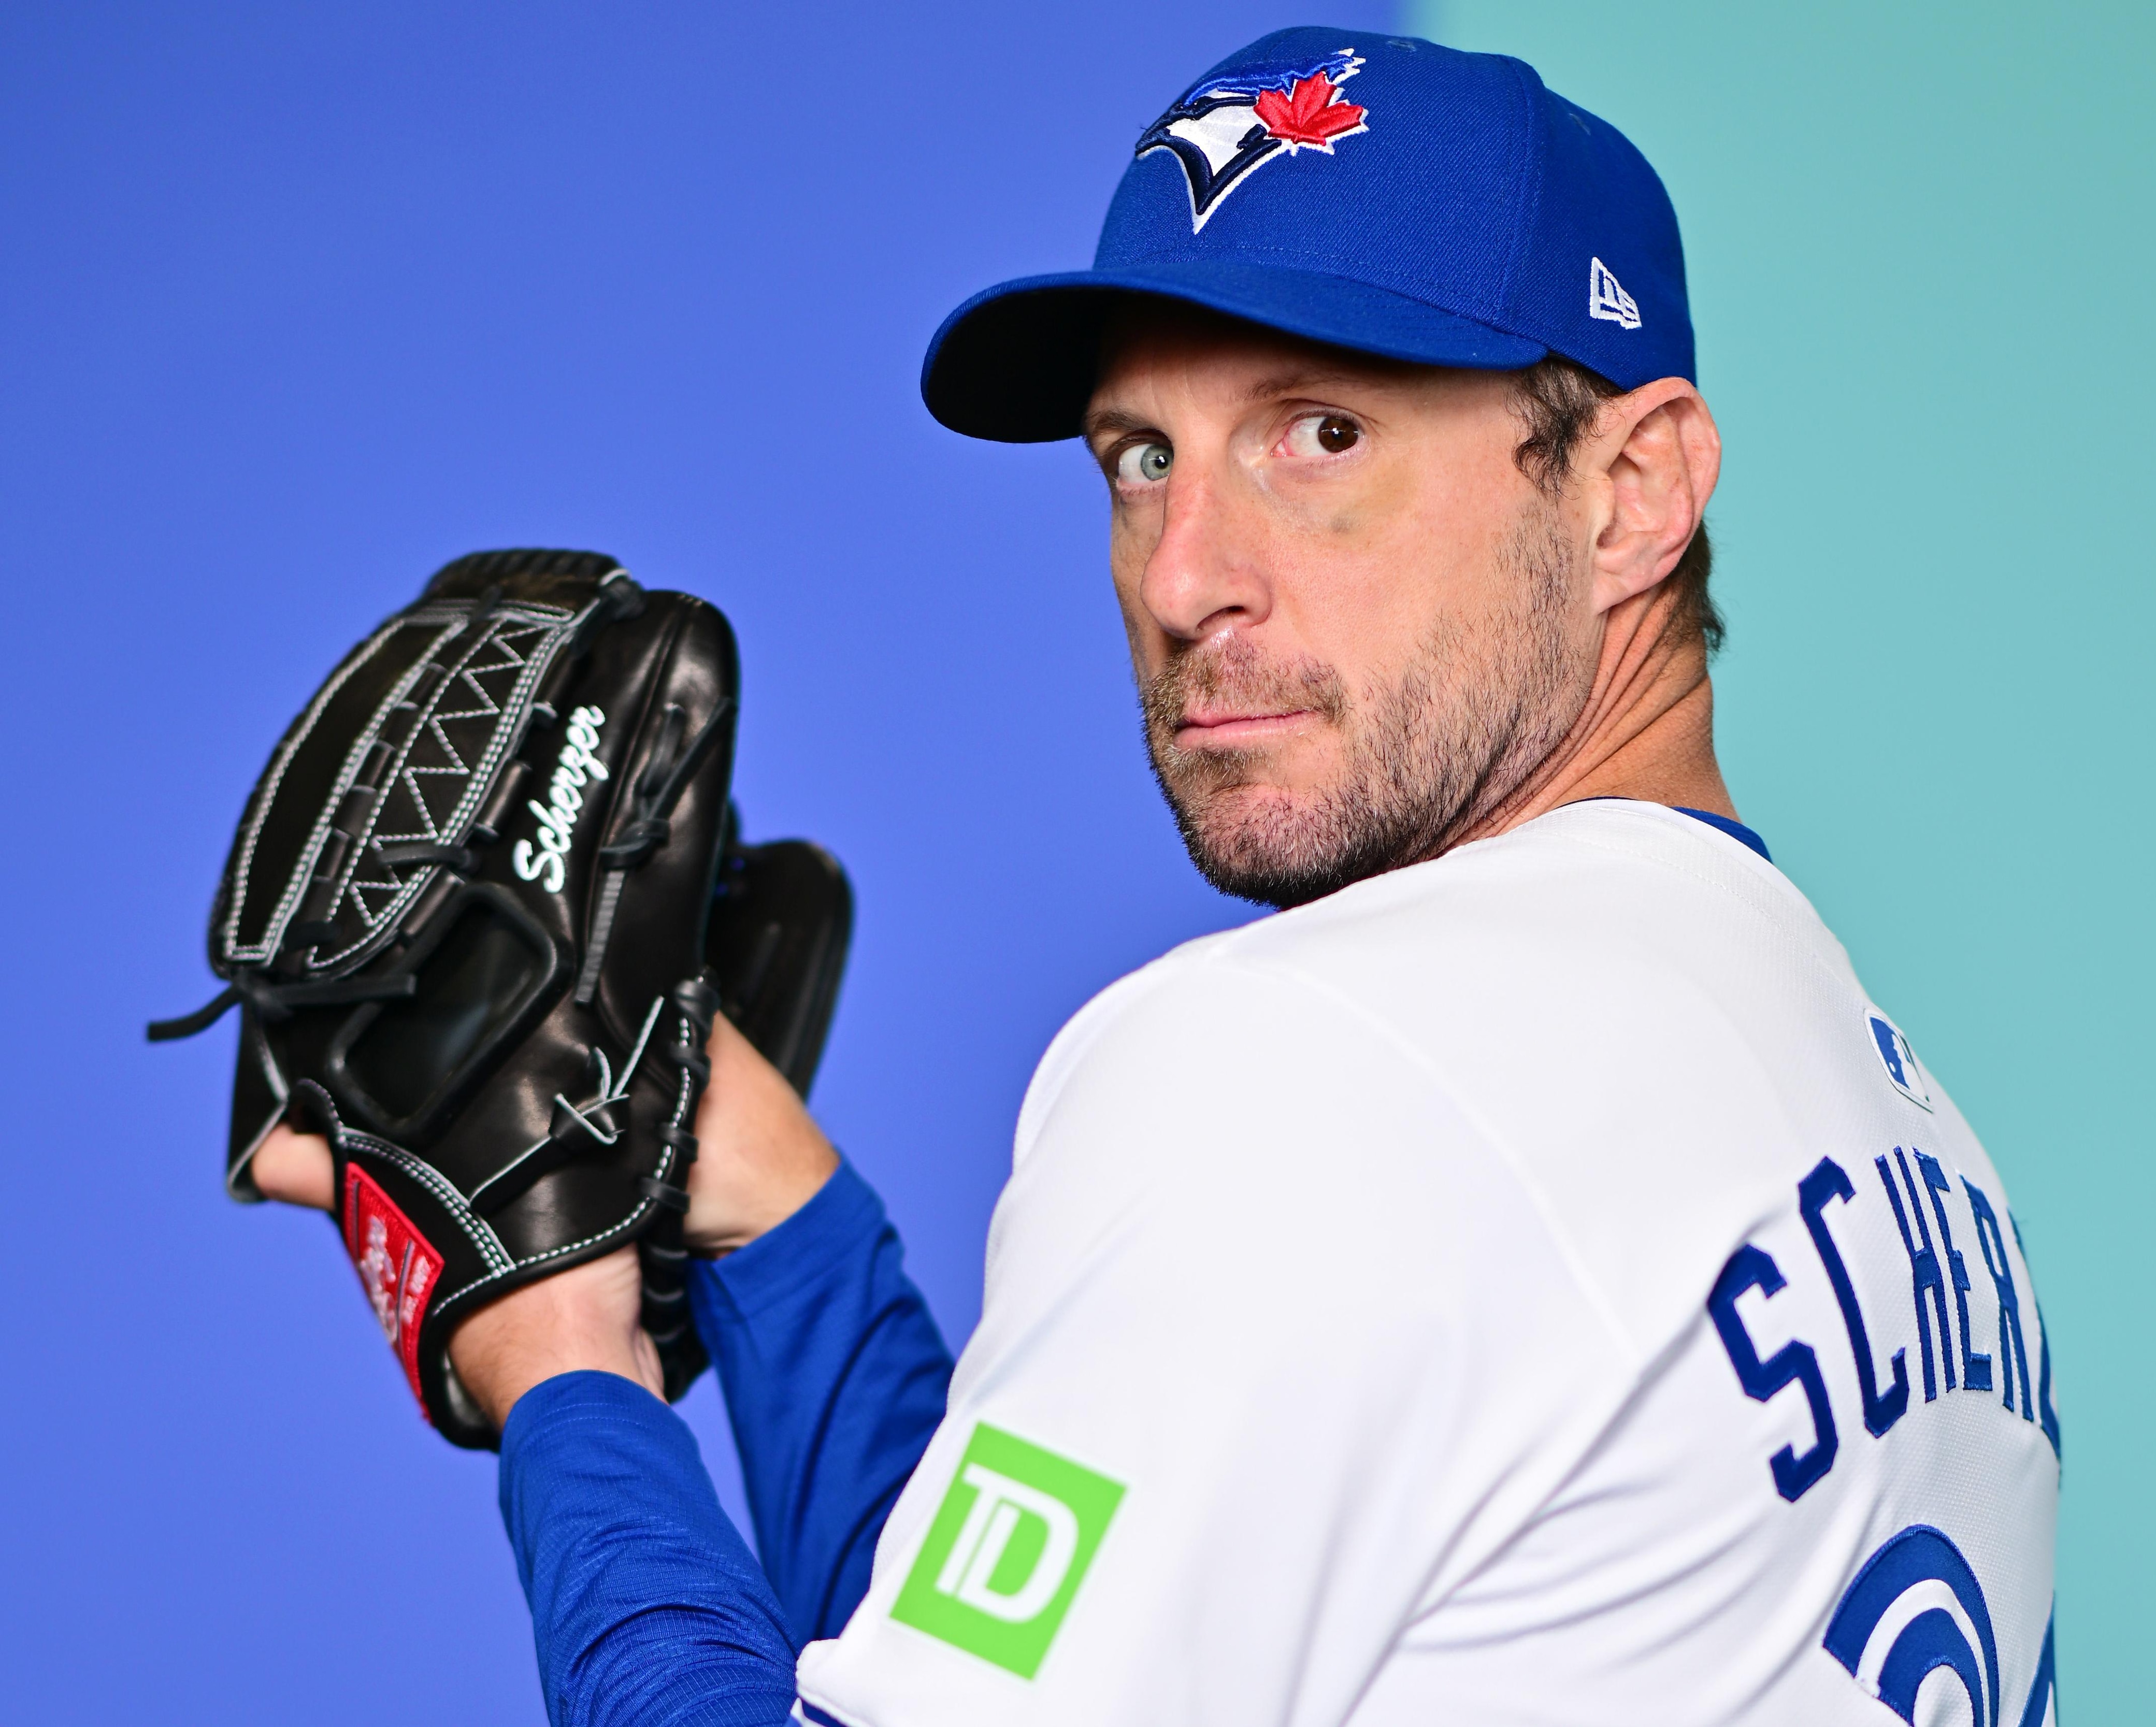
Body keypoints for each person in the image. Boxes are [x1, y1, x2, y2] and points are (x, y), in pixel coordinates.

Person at [254, 27, 2059, 1727]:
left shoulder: (1324, 1066)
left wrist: (558, 1354)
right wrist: (788, 1232)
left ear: (1632, 488)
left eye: (1321, 434)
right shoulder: (1905, 1146)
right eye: (1141, 458)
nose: (1186, 574)